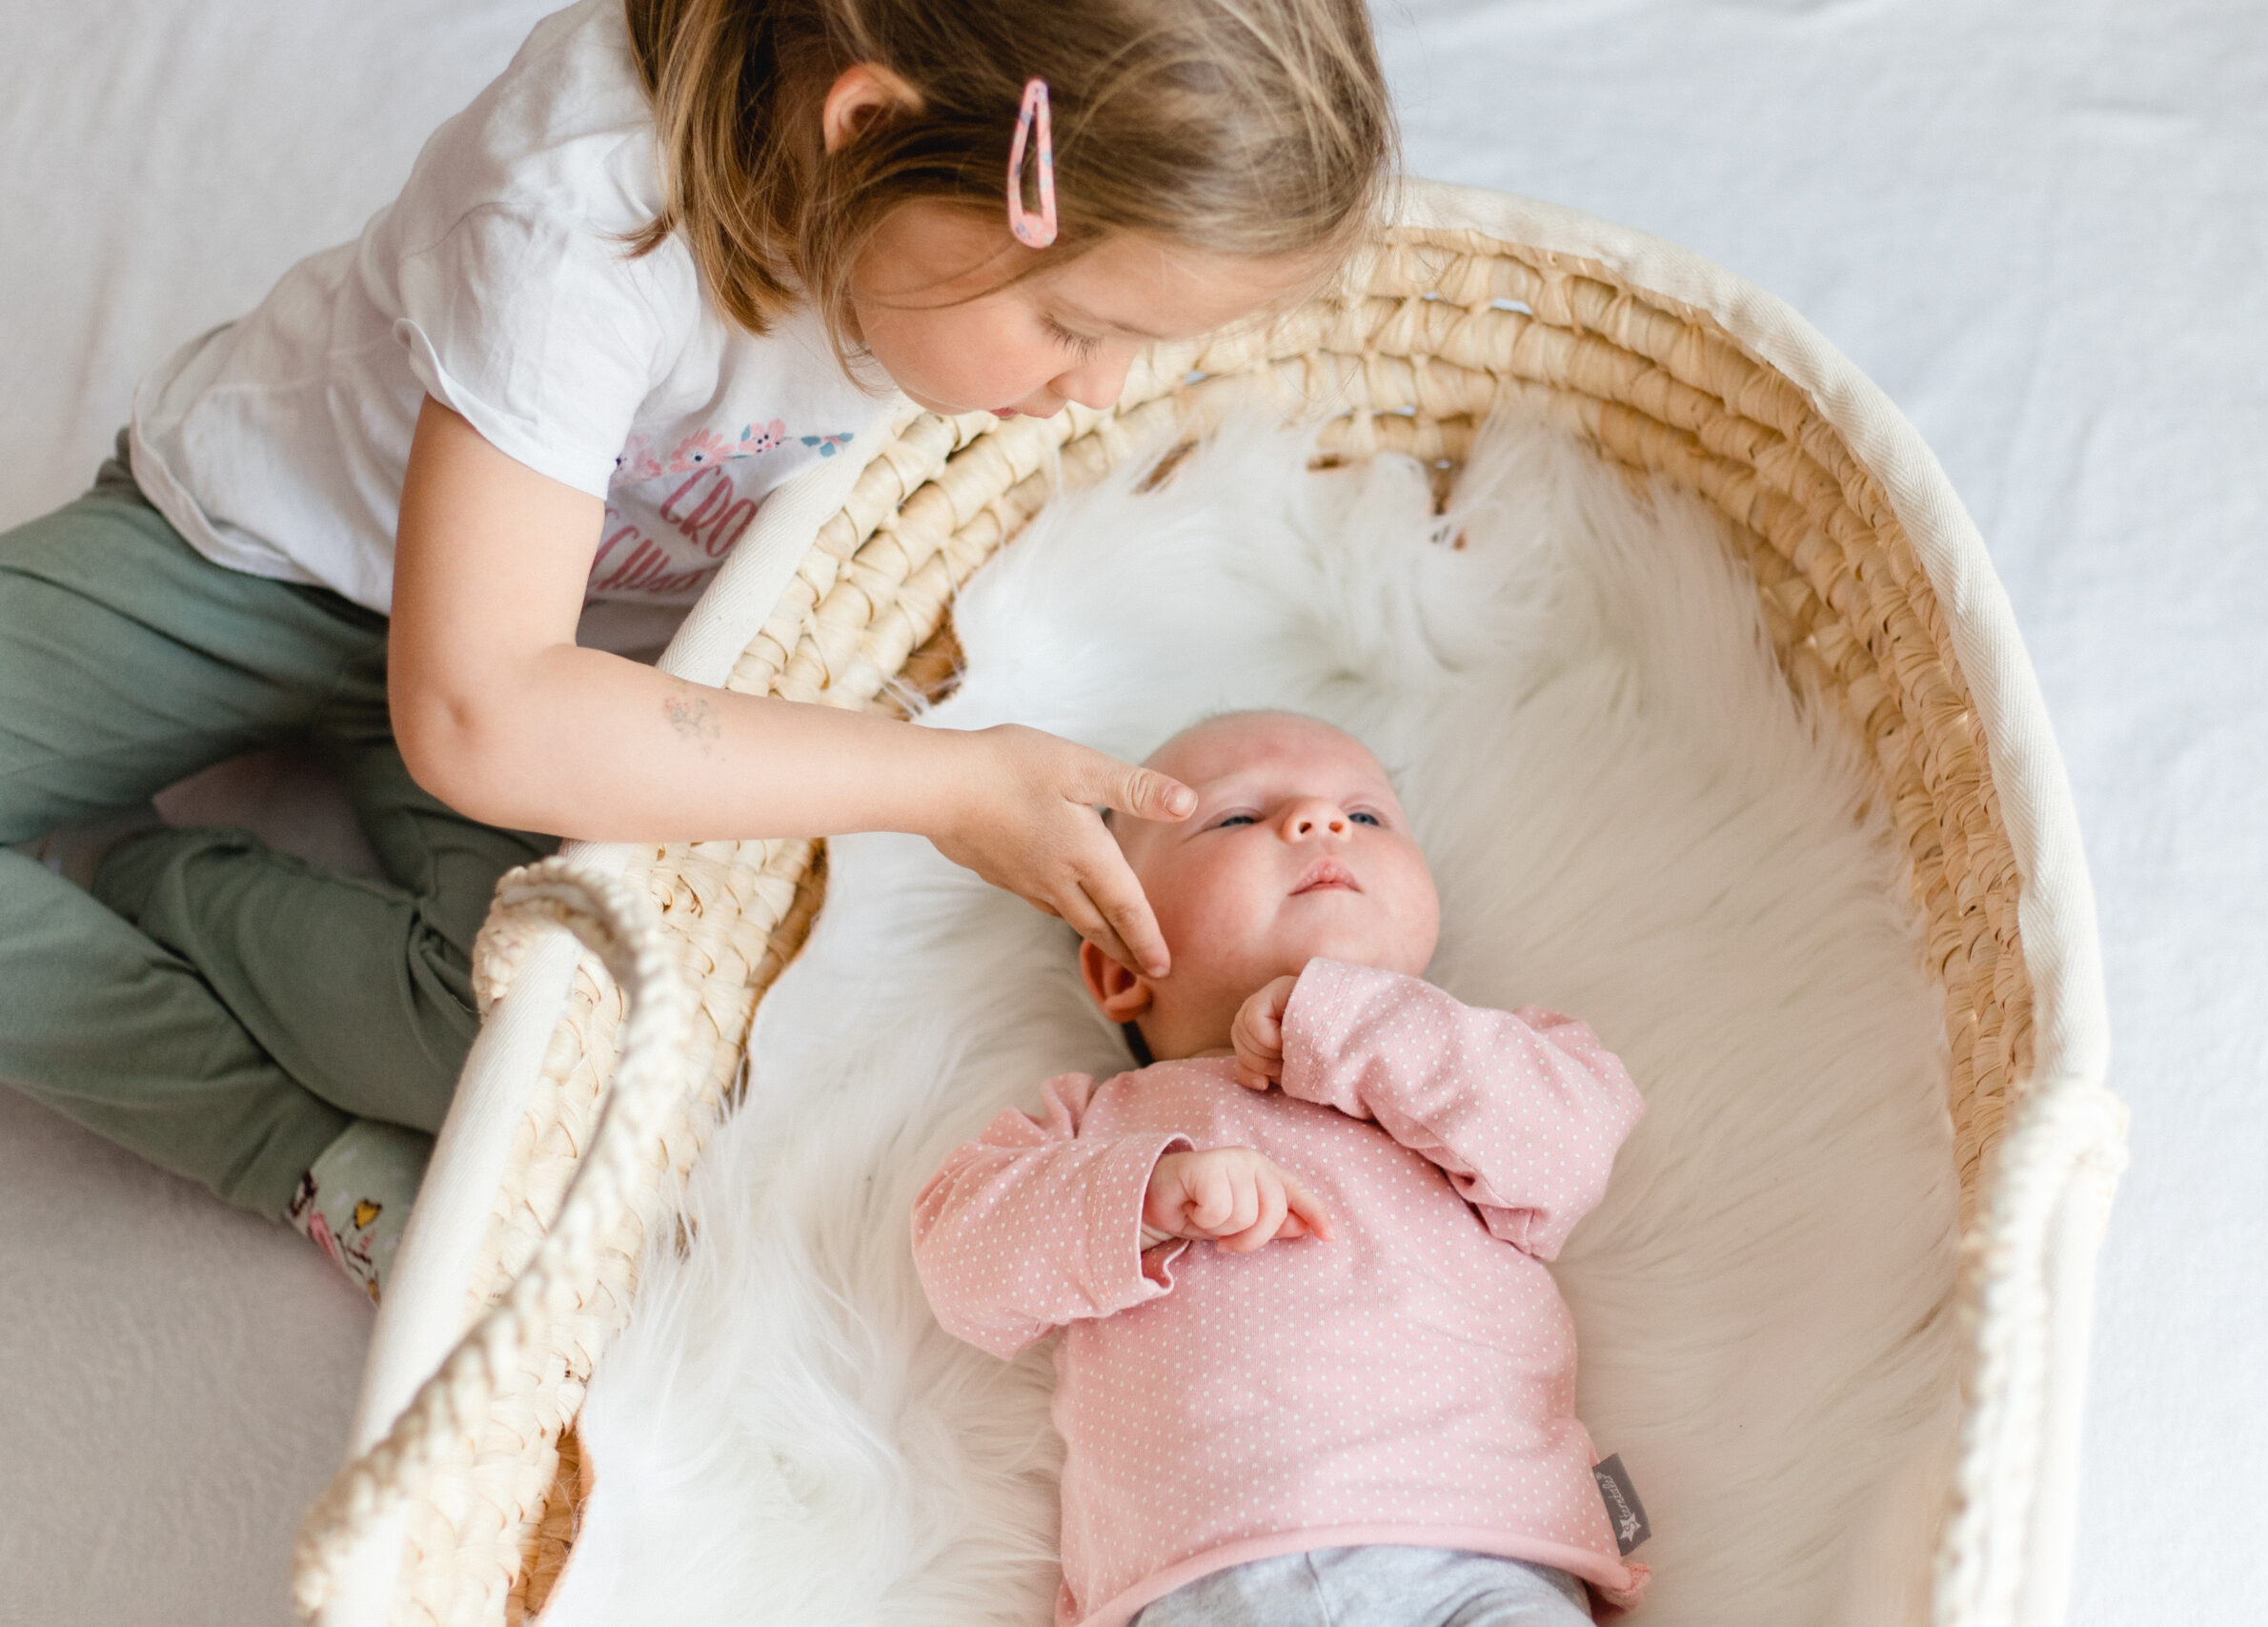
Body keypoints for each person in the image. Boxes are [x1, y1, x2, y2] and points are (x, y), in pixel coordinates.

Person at [0, 0, 1392, 1301]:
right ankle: (215, 1044)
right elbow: (480, 711)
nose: (1098, 389)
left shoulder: (918, 225)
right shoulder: (582, 211)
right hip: (270, 555)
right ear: (864, 130)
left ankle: (161, 902)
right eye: (1075, 328)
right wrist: (948, 781)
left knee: (574, 1058)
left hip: (571, 654)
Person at [911, 712, 1650, 1627]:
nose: (1320, 819)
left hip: (1482, 1550)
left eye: (1366, 815)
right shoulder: (1095, 1124)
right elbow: (959, 1261)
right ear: (1120, 970)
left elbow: (1569, 1149)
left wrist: (1350, 1017)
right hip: (1200, 1576)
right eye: (1236, 817)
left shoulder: (1479, 1062)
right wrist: (1143, 1195)